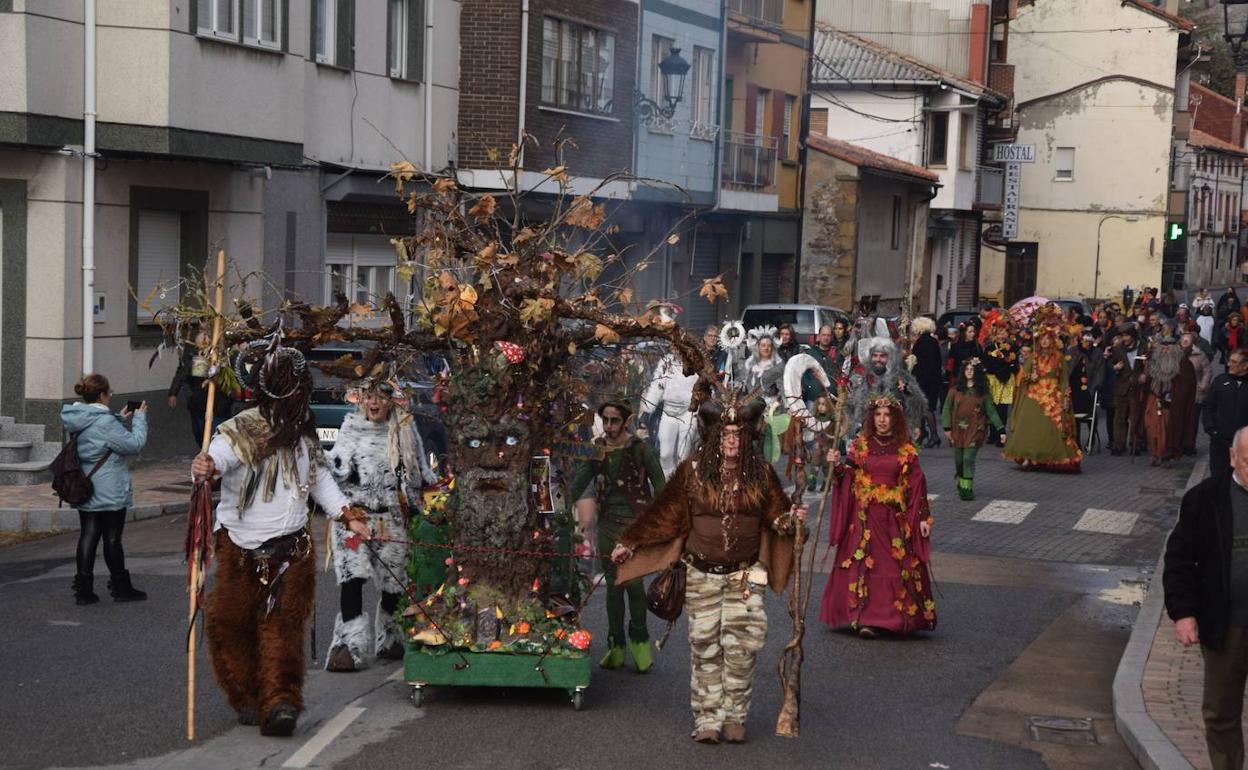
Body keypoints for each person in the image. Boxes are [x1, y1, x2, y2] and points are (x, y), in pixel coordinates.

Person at [190, 345, 371, 737]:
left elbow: (320, 478)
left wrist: (347, 514)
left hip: (292, 551)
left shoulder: (302, 434)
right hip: (240, 549)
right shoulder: (241, 429)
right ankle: (250, 696)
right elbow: (217, 459)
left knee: (283, 630)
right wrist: (205, 466)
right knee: (230, 625)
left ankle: (281, 703)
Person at [610, 390, 806, 744]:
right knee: (705, 648)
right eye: (727, 434)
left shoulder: (761, 473)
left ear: (747, 438)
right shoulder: (694, 471)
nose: (733, 440)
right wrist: (630, 542)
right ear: (716, 436)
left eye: (739, 434)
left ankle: (735, 716)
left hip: (746, 576)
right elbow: (664, 514)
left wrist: (791, 520)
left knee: (742, 649)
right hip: (700, 573)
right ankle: (707, 719)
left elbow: (777, 517)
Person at [324, 381, 438, 672]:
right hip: (356, 517)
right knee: (352, 579)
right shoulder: (350, 428)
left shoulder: (404, 431)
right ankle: (348, 646)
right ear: (361, 401)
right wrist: (316, 460)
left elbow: (419, 471)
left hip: (391, 517)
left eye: (380, 397)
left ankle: (390, 637)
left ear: (391, 401)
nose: (374, 403)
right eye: (368, 397)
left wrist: (427, 500)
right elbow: (335, 469)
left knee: (394, 581)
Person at [1164, 427, 1248, 770]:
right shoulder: (1206, 498)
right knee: (1221, 711)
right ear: (1232, 458)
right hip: (1225, 624)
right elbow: (1179, 558)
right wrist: (1183, 613)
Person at [821, 394, 935, 638]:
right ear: (872, 418)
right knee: (865, 565)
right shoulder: (861, 446)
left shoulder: (906, 449)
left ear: (895, 419)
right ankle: (866, 619)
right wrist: (837, 467)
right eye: (878, 415)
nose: (882, 420)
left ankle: (894, 619)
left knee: (893, 566)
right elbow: (849, 475)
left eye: (887, 415)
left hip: (894, 521)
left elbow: (917, 484)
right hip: (864, 520)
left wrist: (924, 518)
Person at [569, 399, 665, 672]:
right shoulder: (597, 450)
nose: (609, 426)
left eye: (615, 420)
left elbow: (661, 487)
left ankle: (640, 642)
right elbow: (578, 483)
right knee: (614, 586)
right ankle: (616, 647)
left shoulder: (641, 449)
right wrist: (562, 508)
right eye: (606, 420)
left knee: (633, 585)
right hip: (609, 526)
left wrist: (663, 526)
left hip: (636, 527)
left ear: (627, 420)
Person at [60, 374, 149, 605]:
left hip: (84, 485)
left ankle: (84, 590)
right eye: (109, 393)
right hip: (109, 487)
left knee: (88, 534)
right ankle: (120, 587)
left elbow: (95, 438)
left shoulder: (77, 417)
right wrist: (139, 418)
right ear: (102, 394)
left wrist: (118, 417)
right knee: (112, 538)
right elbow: (134, 444)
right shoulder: (104, 422)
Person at [1003, 305, 1082, 472]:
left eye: (1048, 338)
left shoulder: (1059, 358)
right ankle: (1029, 457)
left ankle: (1053, 458)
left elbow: (1064, 379)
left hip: (1053, 394)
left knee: (1054, 427)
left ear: (1053, 339)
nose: (1045, 341)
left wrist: (1065, 397)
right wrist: (1029, 377)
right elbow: (1024, 375)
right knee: (1029, 425)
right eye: (1042, 338)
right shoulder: (1033, 357)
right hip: (1034, 394)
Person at [844, 337, 928, 440]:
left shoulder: (901, 377)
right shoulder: (860, 378)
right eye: (875, 356)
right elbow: (850, 407)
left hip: (895, 436)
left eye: (882, 356)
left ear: (890, 357)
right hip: (866, 436)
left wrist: (907, 391)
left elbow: (918, 406)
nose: (878, 359)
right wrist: (855, 427)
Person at [943, 359, 1004, 500]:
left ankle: (967, 488)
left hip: (976, 429)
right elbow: (946, 408)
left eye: (972, 369)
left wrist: (1001, 430)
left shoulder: (983, 392)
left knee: (968, 458)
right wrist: (947, 427)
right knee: (959, 460)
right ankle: (960, 479)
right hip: (958, 429)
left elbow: (992, 412)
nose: (969, 371)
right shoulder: (955, 390)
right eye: (967, 369)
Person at [641, 344, 701, 479]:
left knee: (683, 454)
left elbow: (703, 387)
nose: (676, 350)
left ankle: (681, 484)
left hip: (688, 412)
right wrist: (648, 409)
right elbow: (657, 386)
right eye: (674, 347)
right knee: (665, 454)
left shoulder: (696, 363)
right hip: (668, 411)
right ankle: (668, 482)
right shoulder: (666, 362)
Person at [168, 327, 235, 443]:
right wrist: (174, 392)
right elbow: (183, 373)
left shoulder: (225, 353)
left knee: (215, 440)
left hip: (219, 407)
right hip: (197, 405)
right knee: (200, 437)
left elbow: (231, 379)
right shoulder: (192, 353)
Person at [1141, 335, 1191, 466]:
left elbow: (1186, 385)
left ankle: (1165, 455)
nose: (1166, 350)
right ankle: (1155, 452)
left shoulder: (1183, 362)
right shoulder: (1152, 360)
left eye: (1169, 347)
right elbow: (1144, 379)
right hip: (1153, 398)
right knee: (1151, 426)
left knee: (1166, 430)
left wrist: (1173, 394)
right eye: (1163, 347)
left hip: (1170, 402)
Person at [1204, 349, 1248, 479]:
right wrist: (1211, 428)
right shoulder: (1220, 381)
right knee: (1218, 478)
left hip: (1243, 444)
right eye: (1229, 360)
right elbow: (1209, 406)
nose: (1229, 364)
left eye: (1234, 362)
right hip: (1220, 441)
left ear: (1245, 365)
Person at [979, 311, 1018, 446]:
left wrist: (1006, 368)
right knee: (992, 407)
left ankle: (1001, 434)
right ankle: (992, 434)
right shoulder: (989, 347)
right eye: (999, 332)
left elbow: (1014, 364)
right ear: (994, 333)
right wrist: (997, 368)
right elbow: (986, 363)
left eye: (1004, 332)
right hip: (993, 380)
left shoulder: (1011, 347)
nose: (1002, 335)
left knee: (1002, 408)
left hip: (1006, 380)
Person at [1109, 325, 1145, 456]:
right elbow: (1110, 365)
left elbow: (1149, 364)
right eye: (1123, 336)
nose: (1125, 338)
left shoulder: (1142, 347)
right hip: (1122, 386)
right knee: (1120, 418)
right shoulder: (1118, 349)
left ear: (1133, 336)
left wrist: (1144, 373)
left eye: (1127, 335)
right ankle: (1119, 444)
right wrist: (1115, 367)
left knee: (1136, 417)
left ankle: (1135, 444)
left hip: (1136, 386)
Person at [910, 317, 944, 449]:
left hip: (926, 380)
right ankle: (923, 432)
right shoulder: (931, 342)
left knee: (927, 408)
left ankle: (934, 435)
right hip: (931, 379)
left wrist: (919, 380)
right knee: (922, 407)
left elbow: (926, 365)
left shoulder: (925, 343)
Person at [1069, 332, 1105, 448]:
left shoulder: (1097, 353)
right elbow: (1069, 367)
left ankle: (1091, 438)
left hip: (1090, 388)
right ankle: (1076, 440)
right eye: (1084, 341)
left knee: (1091, 415)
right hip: (1075, 387)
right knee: (1075, 415)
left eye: (1089, 342)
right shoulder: (1073, 351)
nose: (1086, 344)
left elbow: (1100, 371)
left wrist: (1096, 386)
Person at [1183, 331, 1214, 456]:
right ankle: (1179, 443)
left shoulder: (1200, 355)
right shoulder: (1178, 354)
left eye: (1187, 341)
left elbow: (1207, 371)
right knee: (1181, 419)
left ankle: (1189, 445)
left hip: (1196, 392)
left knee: (1192, 420)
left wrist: (1203, 385)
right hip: (1180, 392)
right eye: (1183, 341)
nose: (1184, 343)